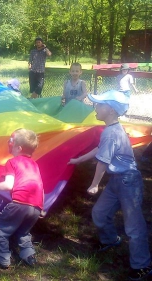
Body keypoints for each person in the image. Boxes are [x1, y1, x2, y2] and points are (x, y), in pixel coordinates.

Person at [68, 90, 152, 281]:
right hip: (117, 180)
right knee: (99, 213)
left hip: (128, 182)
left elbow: (103, 162)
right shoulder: (111, 130)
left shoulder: (112, 133)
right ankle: (110, 240)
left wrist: (95, 184)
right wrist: (79, 159)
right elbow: (100, 149)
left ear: (112, 110)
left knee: (133, 225)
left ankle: (143, 265)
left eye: (99, 105)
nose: (95, 107)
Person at [0, 128, 43, 269]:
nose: (9, 142)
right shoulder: (34, 164)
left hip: (19, 204)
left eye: (11, 140)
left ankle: (3, 258)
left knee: (1, 230)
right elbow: (39, 186)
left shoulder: (12, 162)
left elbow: (9, 185)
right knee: (23, 231)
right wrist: (41, 207)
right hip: (37, 207)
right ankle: (28, 254)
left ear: (18, 148)